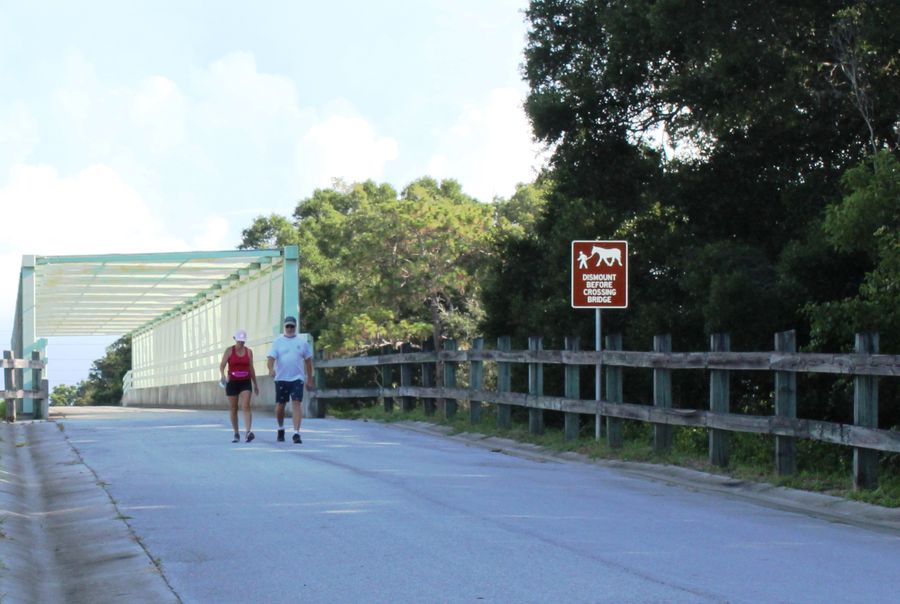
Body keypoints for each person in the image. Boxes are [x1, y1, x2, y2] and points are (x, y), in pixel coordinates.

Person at [267, 316, 314, 443]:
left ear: (295, 327)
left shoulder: (302, 342)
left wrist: (309, 379)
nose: (289, 328)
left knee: (297, 403)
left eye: (292, 326)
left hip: (297, 378)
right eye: (287, 326)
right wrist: (271, 369)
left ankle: (296, 433)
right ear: (284, 327)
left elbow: (308, 361)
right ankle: (280, 428)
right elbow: (271, 358)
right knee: (280, 406)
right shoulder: (278, 342)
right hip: (281, 378)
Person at [219, 329, 259, 443]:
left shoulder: (249, 352)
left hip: (245, 381)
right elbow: (222, 365)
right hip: (232, 382)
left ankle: (248, 432)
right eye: (240, 340)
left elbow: (251, 368)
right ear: (235, 339)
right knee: (233, 408)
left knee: (246, 405)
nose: (241, 343)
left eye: (243, 341)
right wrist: (222, 376)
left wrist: (255, 384)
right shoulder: (229, 351)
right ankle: (236, 433)